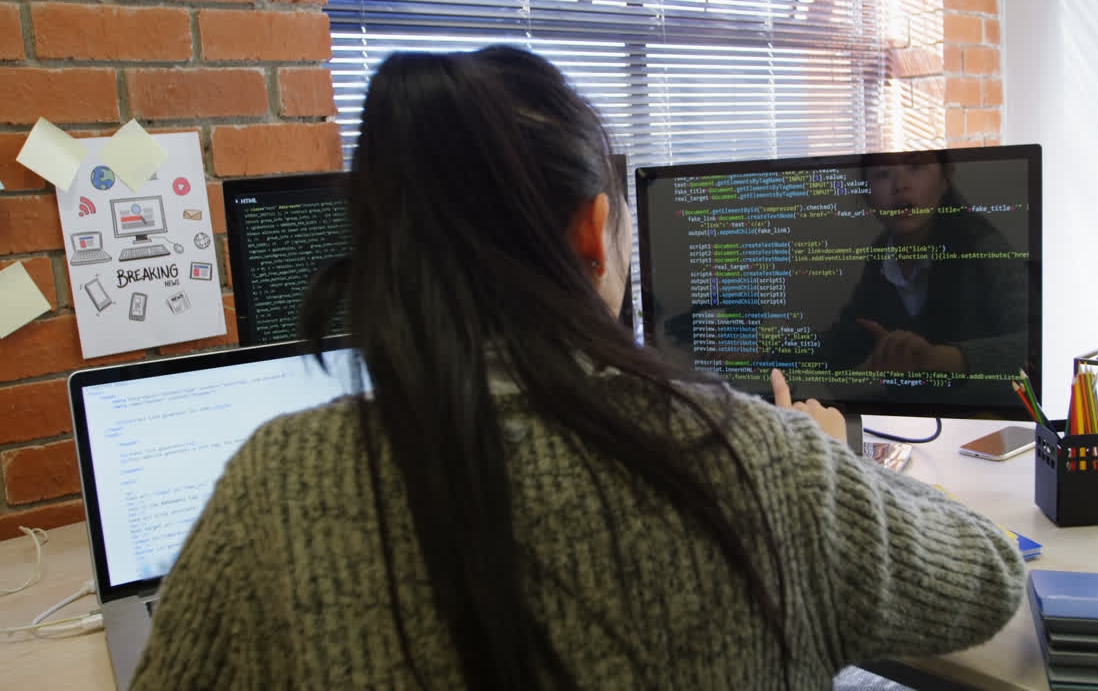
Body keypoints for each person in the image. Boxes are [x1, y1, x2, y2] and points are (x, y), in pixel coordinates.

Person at [130, 47, 1024, 690]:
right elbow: (989, 579)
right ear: (594, 233)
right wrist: (830, 461)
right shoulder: (765, 463)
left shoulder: (273, 486)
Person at [830, 151, 1028, 377]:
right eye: (883, 174)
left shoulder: (984, 247)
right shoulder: (882, 251)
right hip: (899, 409)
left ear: (946, 178)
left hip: (974, 411)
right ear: (866, 193)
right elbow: (845, 340)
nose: (900, 186)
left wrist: (935, 358)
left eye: (916, 168)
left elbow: (1030, 349)